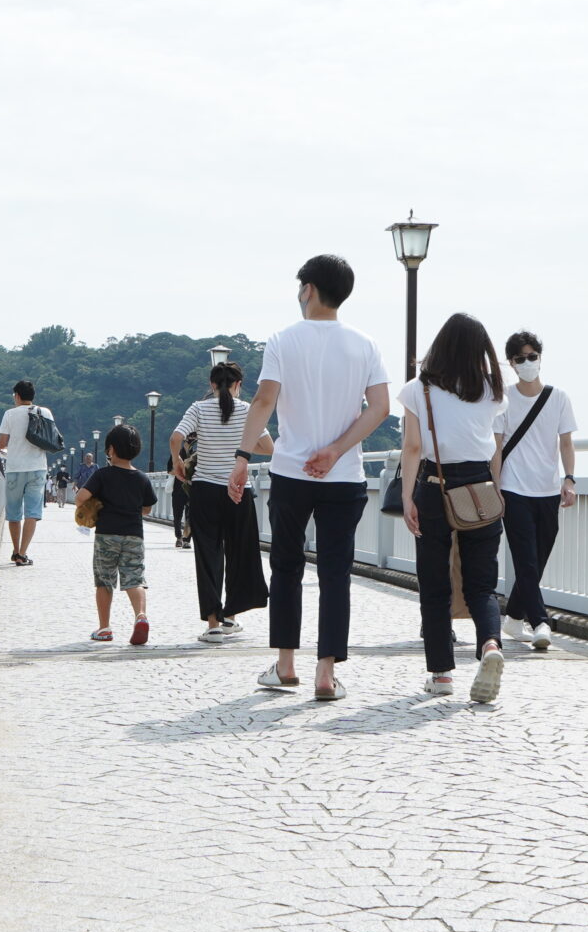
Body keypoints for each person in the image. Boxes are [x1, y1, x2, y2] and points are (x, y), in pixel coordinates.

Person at [230, 255, 391, 702]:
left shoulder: (283, 340)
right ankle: (325, 673)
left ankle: (285, 665)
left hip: (290, 472)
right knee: (336, 573)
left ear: (308, 289)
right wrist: (336, 450)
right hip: (344, 474)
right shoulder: (365, 344)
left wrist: (242, 457)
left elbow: (264, 401)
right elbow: (380, 407)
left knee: (286, 566)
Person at [400, 312, 513, 703]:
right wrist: (496, 490)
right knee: (482, 585)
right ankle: (490, 644)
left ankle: (442, 674)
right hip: (481, 487)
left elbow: (413, 447)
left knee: (435, 585)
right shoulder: (493, 389)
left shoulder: (419, 389)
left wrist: (407, 496)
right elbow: (494, 448)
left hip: (435, 485)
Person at [172, 361, 272, 643]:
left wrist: (178, 461)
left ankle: (213, 624)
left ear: (212, 384)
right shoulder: (247, 410)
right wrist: (243, 446)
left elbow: (176, 437)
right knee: (239, 553)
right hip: (238, 490)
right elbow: (269, 448)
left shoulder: (198, 408)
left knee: (208, 554)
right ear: (239, 384)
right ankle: (231, 617)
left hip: (205, 490)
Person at [497, 329, 580, 651]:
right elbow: (496, 447)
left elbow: (566, 442)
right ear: (511, 363)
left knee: (538, 559)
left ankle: (514, 617)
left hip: (547, 490)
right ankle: (541, 622)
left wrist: (569, 479)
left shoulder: (558, 398)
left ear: (540, 358)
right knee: (526, 561)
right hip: (513, 488)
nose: (528, 363)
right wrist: (495, 488)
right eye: (521, 359)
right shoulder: (503, 400)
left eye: (533, 356)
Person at [82, 425, 156, 645]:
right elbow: (147, 508)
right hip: (134, 535)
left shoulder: (102, 475)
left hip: (106, 535)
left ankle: (104, 628)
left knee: (104, 581)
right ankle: (141, 616)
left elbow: (80, 497)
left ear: (111, 449)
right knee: (135, 579)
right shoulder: (142, 478)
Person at [0, 381, 56, 567]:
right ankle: (23, 553)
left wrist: (3, 446)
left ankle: (15, 551)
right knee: (32, 512)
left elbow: (2, 444)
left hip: (15, 468)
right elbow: (51, 438)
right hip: (37, 468)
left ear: (17, 395)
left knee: (14, 512)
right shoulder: (45, 412)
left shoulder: (10, 414)